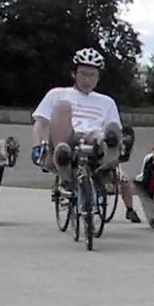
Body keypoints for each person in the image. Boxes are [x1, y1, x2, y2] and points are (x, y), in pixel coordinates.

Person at [30, 47, 140, 223]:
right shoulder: (58, 93)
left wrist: (109, 138)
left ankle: (108, 155)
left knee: (102, 131)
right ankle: (63, 159)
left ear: (98, 77)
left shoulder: (106, 101)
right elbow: (41, 123)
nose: (87, 79)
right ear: (74, 74)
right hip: (67, 137)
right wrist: (38, 146)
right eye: (83, 74)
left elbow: (110, 128)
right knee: (62, 106)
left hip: (94, 140)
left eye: (92, 75)